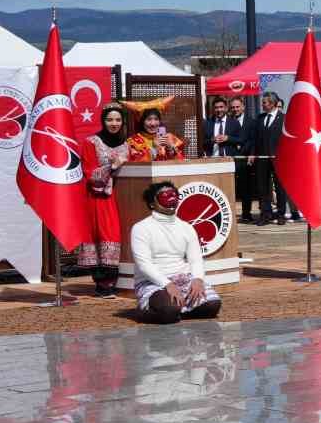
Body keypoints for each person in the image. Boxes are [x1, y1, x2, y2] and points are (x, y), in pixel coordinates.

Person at [130, 181, 223, 324]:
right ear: (152, 204)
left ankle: (177, 311)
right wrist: (167, 284)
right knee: (169, 310)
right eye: (164, 195)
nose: (171, 198)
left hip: (183, 278)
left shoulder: (186, 227)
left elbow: (196, 259)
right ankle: (151, 310)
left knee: (212, 305)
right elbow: (144, 264)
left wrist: (198, 279)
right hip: (152, 282)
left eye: (174, 194)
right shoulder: (141, 228)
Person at [76, 103, 129, 297]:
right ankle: (103, 282)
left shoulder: (127, 144)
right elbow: (89, 172)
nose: (114, 123)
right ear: (103, 121)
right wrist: (112, 166)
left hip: (124, 196)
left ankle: (120, 280)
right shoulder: (92, 142)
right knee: (104, 233)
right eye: (109, 119)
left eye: (117, 119)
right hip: (99, 196)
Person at [252, 92, 289, 224]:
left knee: (280, 187)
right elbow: (255, 138)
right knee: (263, 187)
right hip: (262, 158)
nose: (262, 104)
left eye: (264, 102)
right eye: (262, 102)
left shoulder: (284, 118)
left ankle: (281, 214)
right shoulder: (260, 118)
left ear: (272, 103)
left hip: (279, 158)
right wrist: (253, 153)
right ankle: (265, 214)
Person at [225, 96, 255, 222]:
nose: (235, 109)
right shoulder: (228, 121)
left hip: (245, 157)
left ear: (243, 107)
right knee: (231, 186)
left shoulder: (251, 121)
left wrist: (252, 153)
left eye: (238, 107)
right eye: (233, 107)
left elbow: (253, 140)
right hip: (231, 157)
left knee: (246, 187)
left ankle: (246, 213)